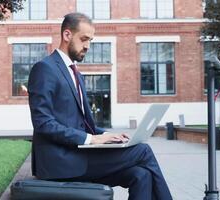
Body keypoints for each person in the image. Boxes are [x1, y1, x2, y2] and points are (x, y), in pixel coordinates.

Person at [28, 12, 172, 200]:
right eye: (84, 39)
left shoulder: (76, 74)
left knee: (141, 174)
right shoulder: (45, 68)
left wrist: (106, 135)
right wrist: (92, 140)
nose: (88, 46)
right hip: (59, 162)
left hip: (78, 156)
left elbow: (85, 125)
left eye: (90, 40)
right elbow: (43, 123)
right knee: (143, 151)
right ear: (67, 35)